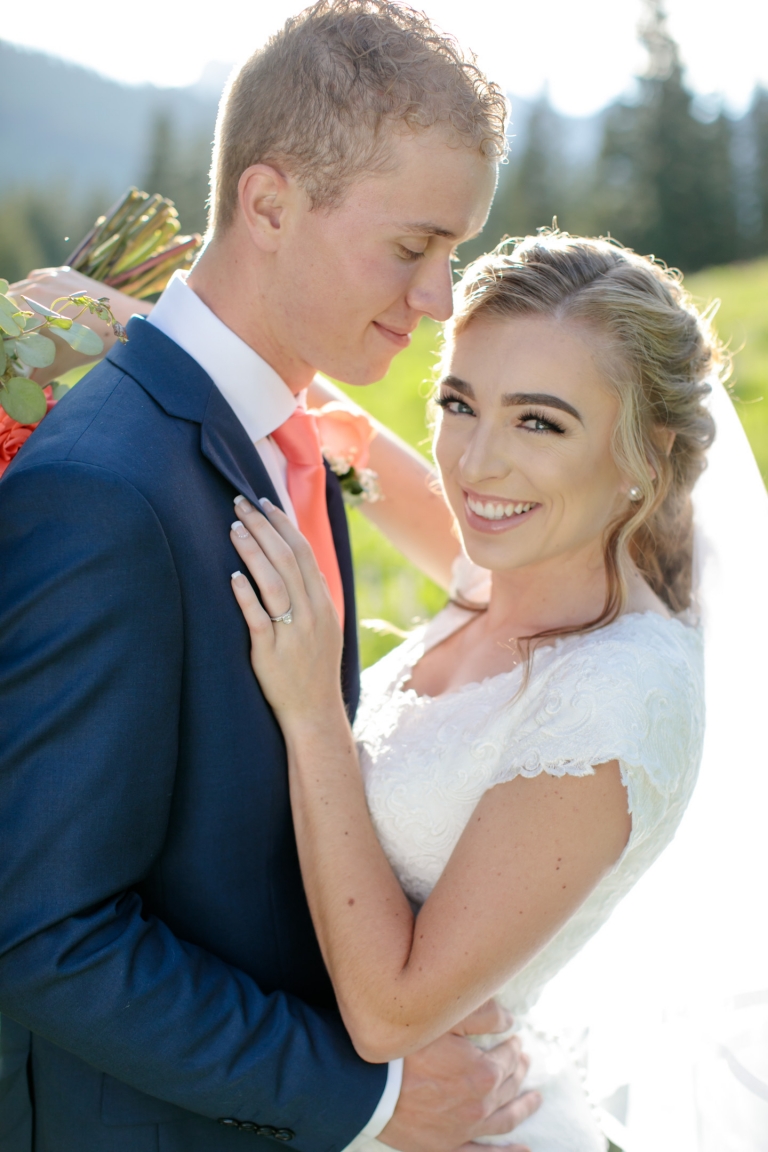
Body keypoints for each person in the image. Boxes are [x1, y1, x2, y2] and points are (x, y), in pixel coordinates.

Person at [0, 4, 541, 1150]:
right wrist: (374, 1099)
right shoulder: (104, 492)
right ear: (268, 203)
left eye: (455, 253)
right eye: (412, 247)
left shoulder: (287, 430)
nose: (441, 298)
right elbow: (41, 931)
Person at [225, 231, 720, 1151]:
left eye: (539, 421)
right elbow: (353, 445)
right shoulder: (510, 575)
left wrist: (312, 713)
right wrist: (170, 330)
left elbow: (390, 1013)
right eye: (459, 402)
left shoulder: (616, 694)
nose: (476, 463)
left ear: (643, 456)